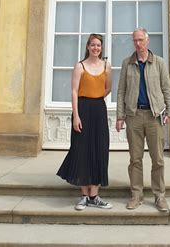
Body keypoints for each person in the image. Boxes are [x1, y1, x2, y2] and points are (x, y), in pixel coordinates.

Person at [116, 28, 170, 213]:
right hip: (133, 116)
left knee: (158, 159)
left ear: (147, 41)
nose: (138, 43)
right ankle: (136, 195)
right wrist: (120, 116)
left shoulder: (159, 63)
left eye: (140, 40)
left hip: (154, 116)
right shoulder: (127, 63)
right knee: (135, 159)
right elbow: (121, 91)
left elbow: (167, 89)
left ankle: (160, 196)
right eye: (135, 40)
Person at [57, 33, 113, 211]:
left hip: (99, 110)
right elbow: (74, 91)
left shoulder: (107, 66)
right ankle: (84, 196)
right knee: (81, 150)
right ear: (88, 46)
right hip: (82, 109)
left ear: (101, 48)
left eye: (99, 45)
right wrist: (76, 115)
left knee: (99, 149)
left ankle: (94, 195)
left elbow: (108, 88)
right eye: (93, 45)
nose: (96, 48)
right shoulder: (79, 66)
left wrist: (96, 96)